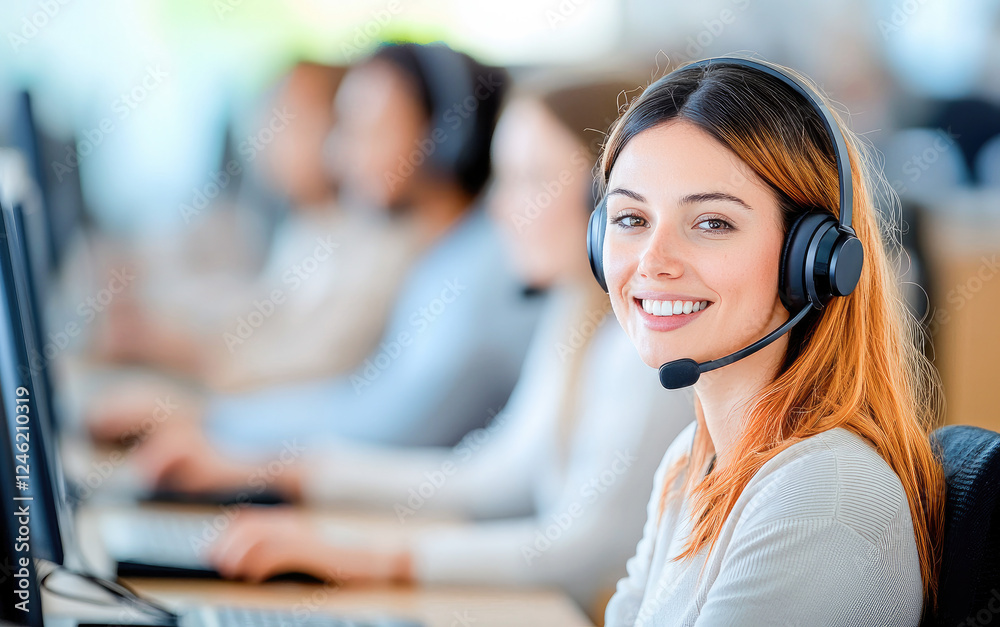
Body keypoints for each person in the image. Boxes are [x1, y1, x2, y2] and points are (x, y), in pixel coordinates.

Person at [149, 76, 696, 619]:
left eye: (530, 181)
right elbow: (496, 475)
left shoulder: (645, 351)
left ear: (610, 203)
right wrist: (286, 478)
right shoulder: (577, 310)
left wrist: (369, 558)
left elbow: (580, 550)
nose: (500, 210)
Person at [593, 58, 945, 626]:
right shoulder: (693, 460)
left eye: (712, 223)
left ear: (811, 261)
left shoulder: (823, 498)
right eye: (631, 218)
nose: (652, 262)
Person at [86, 42, 544, 456]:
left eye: (368, 130)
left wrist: (204, 419)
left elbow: (388, 420)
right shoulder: (442, 258)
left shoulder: (475, 269)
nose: (339, 156)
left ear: (443, 139)